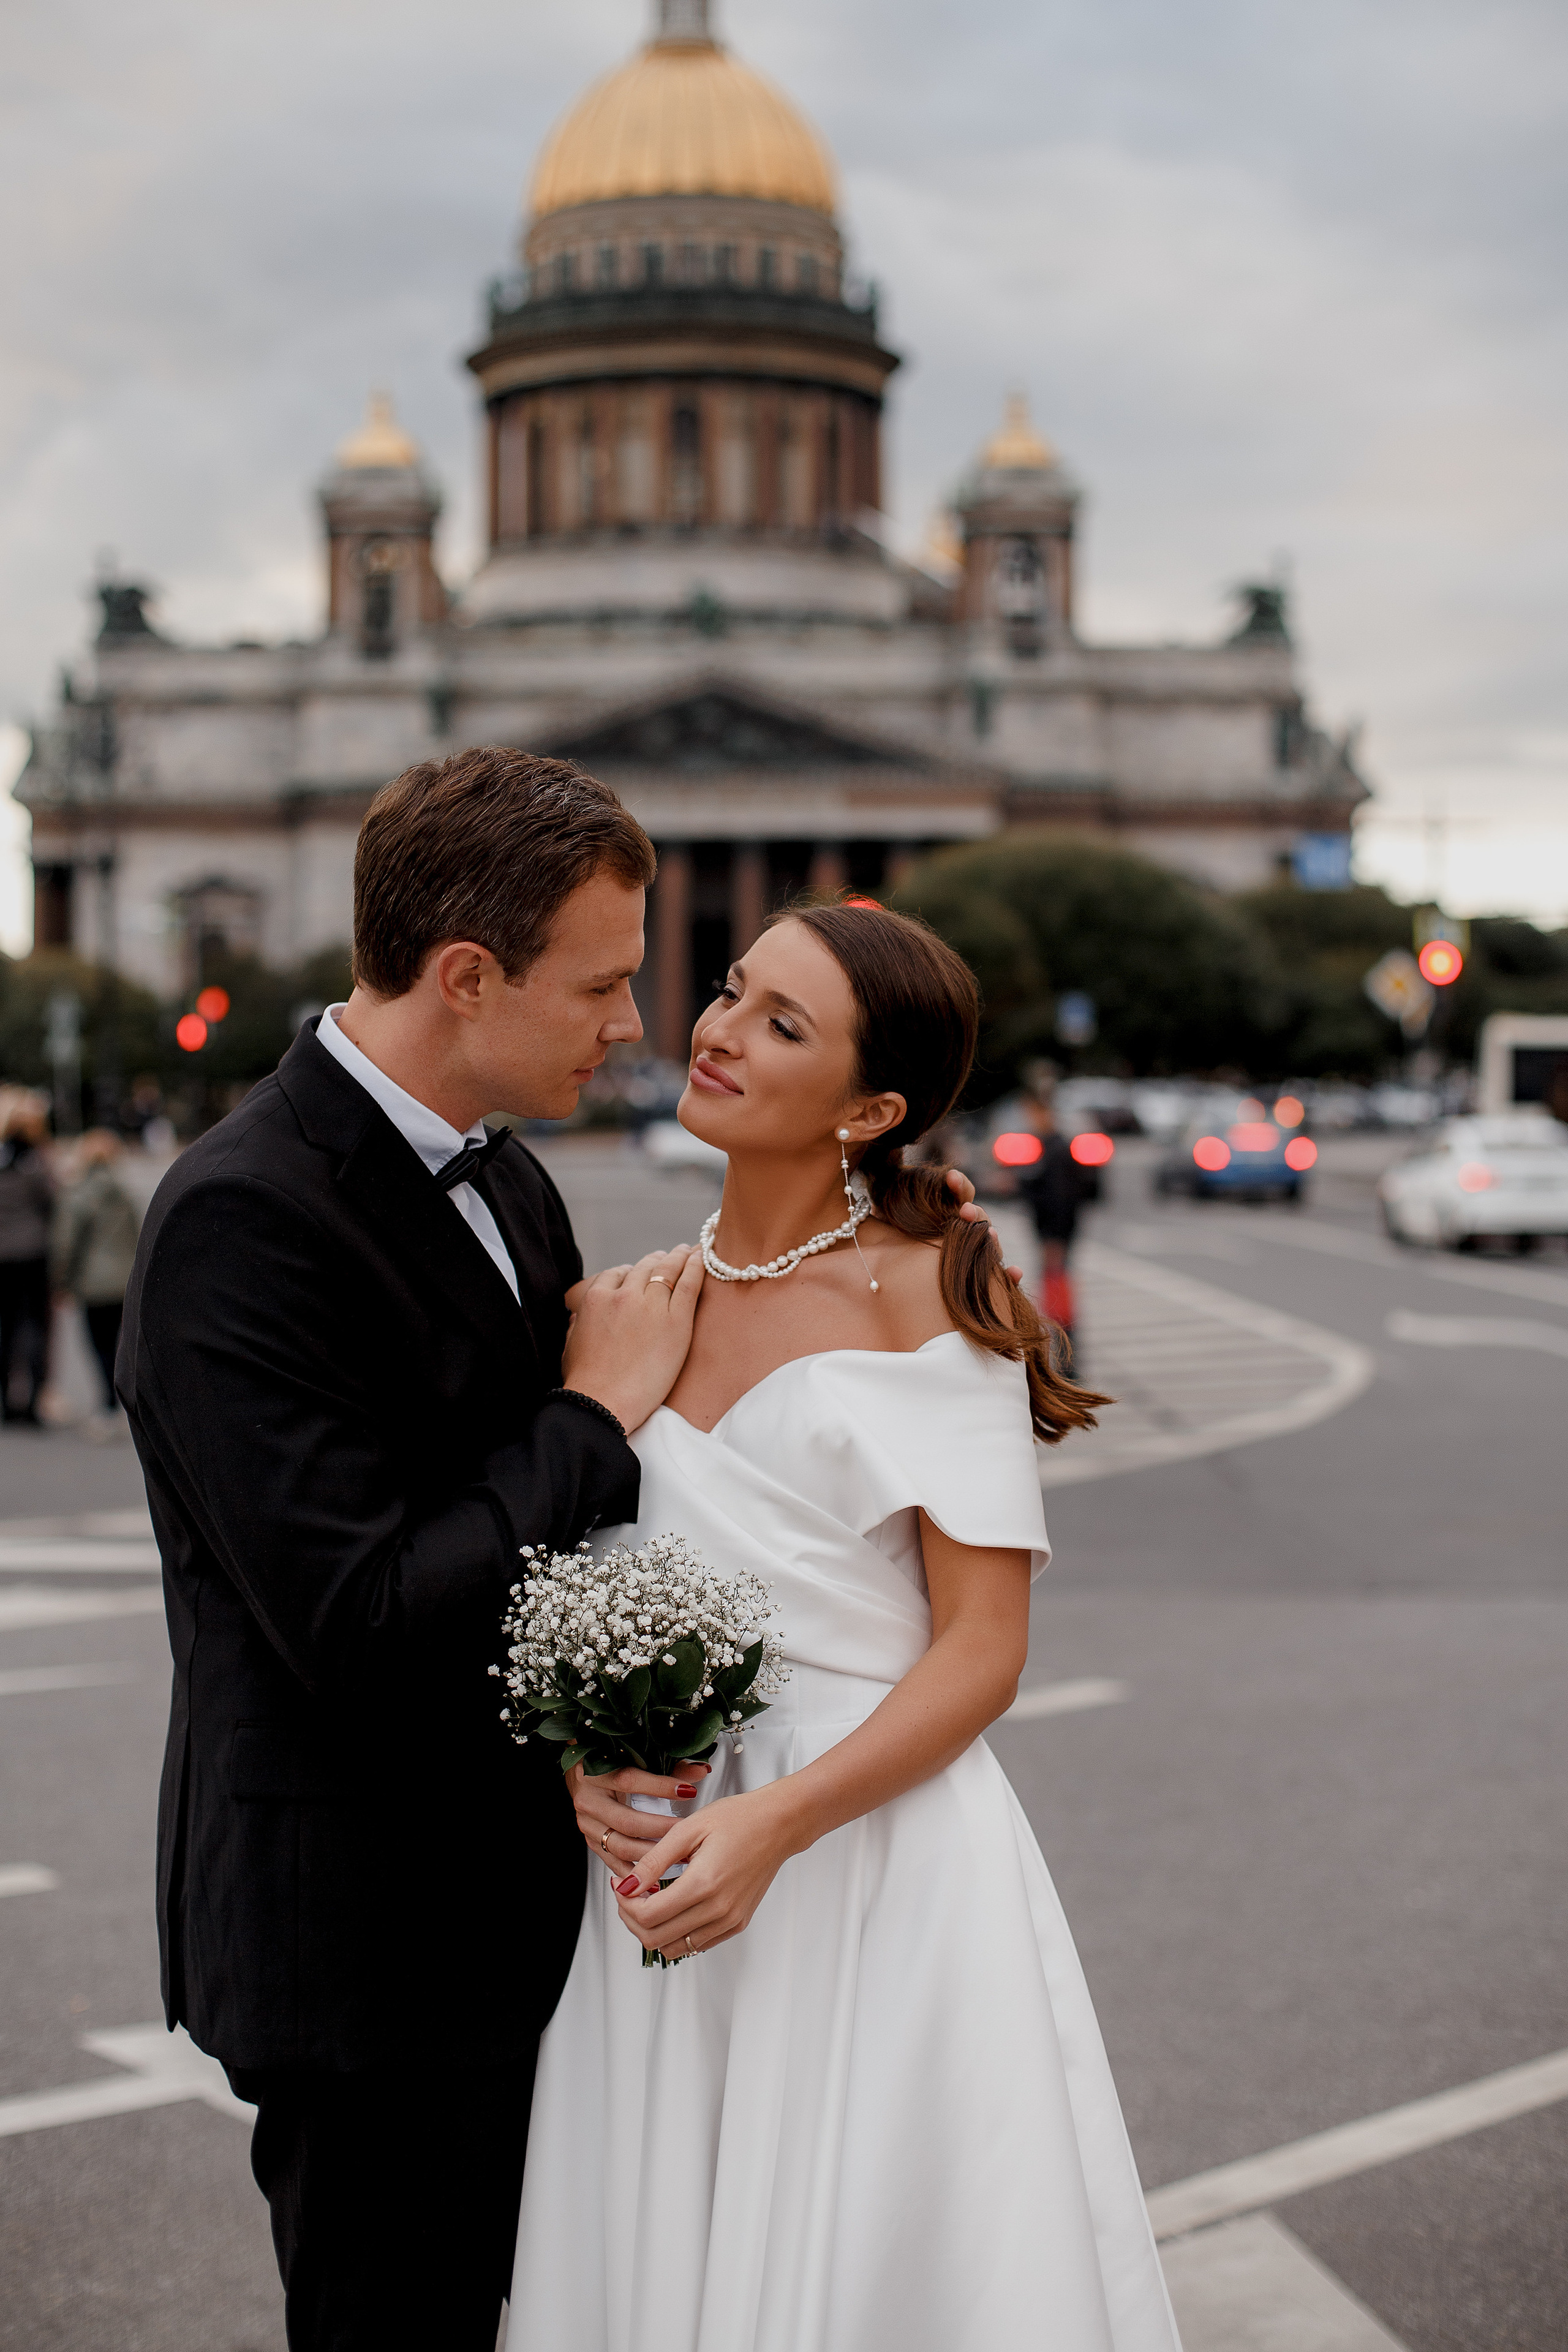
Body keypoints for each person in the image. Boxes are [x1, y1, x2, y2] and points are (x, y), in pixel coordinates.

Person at [118, 750, 992, 2352]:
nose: (637, 1024)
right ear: (468, 977)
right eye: (599, 985)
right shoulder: (240, 1217)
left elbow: (561, 1554)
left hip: (560, 1920)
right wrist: (593, 1409)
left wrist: (606, 1738)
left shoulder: (508, 1180)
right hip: (367, 1945)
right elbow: (360, 1616)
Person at [511, 905, 1182, 2352]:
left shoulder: (931, 1291)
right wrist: (586, 1762)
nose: (716, 1031)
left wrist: (775, 1824)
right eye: (732, 990)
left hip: (864, 1858)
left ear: (870, 1110)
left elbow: (981, 1650)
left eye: (781, 1024)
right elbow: (594, 1583)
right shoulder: (633, 1303)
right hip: (662, 1861)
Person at [51, 1128, 141, 1427]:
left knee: (97, 1344)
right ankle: (119, 1402)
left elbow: (66, 1244)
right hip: (123, 1281)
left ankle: (107, 1403)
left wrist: (61, 1282)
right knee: (119, 1344)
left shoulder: (79, 1194)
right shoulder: (126, 1193)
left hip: (93, 1284)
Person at [1014, 1061, 1085, 1354]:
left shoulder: (1056, 1149)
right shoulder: (1051, 1146)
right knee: (1055, 1298)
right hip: (1053, 1237)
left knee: (1058, 1301)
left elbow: (1061, 1199)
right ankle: (1066, 1355)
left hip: (1055, 1239)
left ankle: (1068, 1360)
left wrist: (1055, 1240)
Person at [0, 1090, 55, 1428]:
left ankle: (7, 1402)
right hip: (33, 1253)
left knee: (5, 1328)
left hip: (2, 1254)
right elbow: (51, 1201)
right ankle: (33, 1402)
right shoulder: (35, 1162)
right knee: (34, 1327)